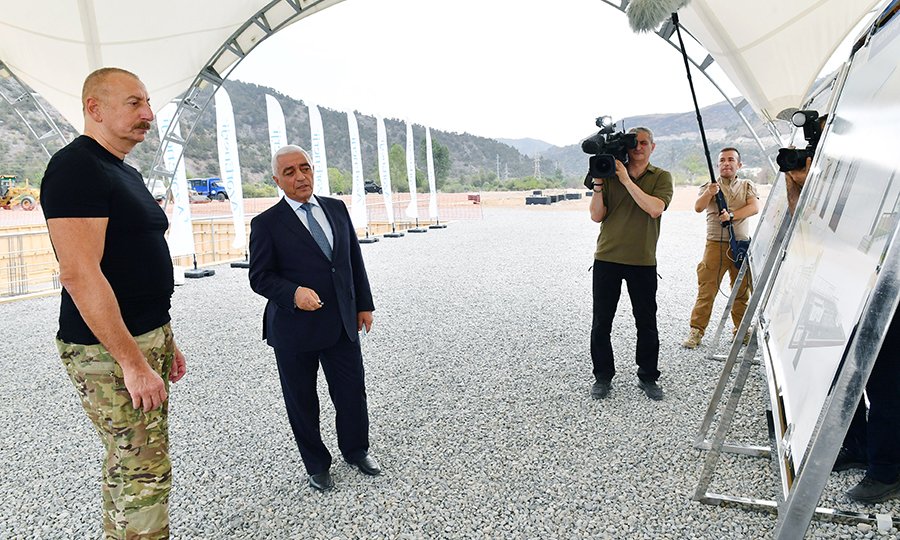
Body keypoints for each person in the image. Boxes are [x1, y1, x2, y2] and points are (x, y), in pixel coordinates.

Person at [40, 67, 187, 539]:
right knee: (144, 471)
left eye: (148, 103)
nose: (148, 115)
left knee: (133, 461)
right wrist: (133, 363)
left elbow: (131, 263)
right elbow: (79, 273)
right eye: (134, 103)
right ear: (95, 108)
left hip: (143, 335)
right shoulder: (76, 167)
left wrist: (164, 337)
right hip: (108, 350)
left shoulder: (122, 170)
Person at [248, 145, 380, 491]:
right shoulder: (266, 224)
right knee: (302, 402)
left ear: (312, 170)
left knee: (351, 393)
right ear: (277, 180)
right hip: (294, 331)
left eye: (304, 168)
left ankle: (356, 450)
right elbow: (259, 277)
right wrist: (293, 293)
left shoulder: (336, 209)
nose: (300, 177)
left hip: (341, 324)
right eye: (289, 172)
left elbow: (352, 260)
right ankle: (317, 464)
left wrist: (364, 305)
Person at [588, 127, 673, 401]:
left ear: (653, 147)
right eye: (633, 142)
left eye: (644, 142)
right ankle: (602, 377)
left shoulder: (661, 177)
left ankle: (648, 376)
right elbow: (596, 216)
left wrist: (625, 179)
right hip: (606, 258)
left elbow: (654, 208)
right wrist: (599, 184)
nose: (638, 147)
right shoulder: (609, 174)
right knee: (601, 322)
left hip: (642, 261)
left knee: (646, 323)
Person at [682, 148, 759, 349]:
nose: (726, 163)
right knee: (707, 290)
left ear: (739, 165)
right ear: (717, 165)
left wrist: (731, 216)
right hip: (715, 244)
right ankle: (696, 331)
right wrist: (710, 192)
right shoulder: (709, 186)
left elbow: (754, 207)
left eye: (731, 160)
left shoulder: (747, 185)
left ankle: (741, 330)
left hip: (740, 245)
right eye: (722, 160)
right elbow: (698, 207)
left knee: (741, 290)